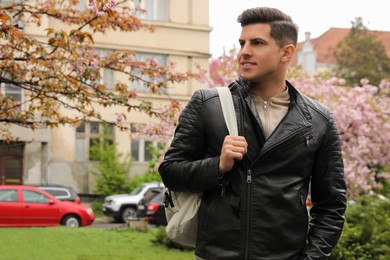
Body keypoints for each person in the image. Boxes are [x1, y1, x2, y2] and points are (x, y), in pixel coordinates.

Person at [159, 7, 347, 260]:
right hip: (216, 255)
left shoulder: (319, 120)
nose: (244, 51)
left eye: (257, 43)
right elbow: (171, 172)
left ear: (286, 52)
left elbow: (331, 204)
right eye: (242, 43)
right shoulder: (208, 104)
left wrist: (311, 258)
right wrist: (218, 165)